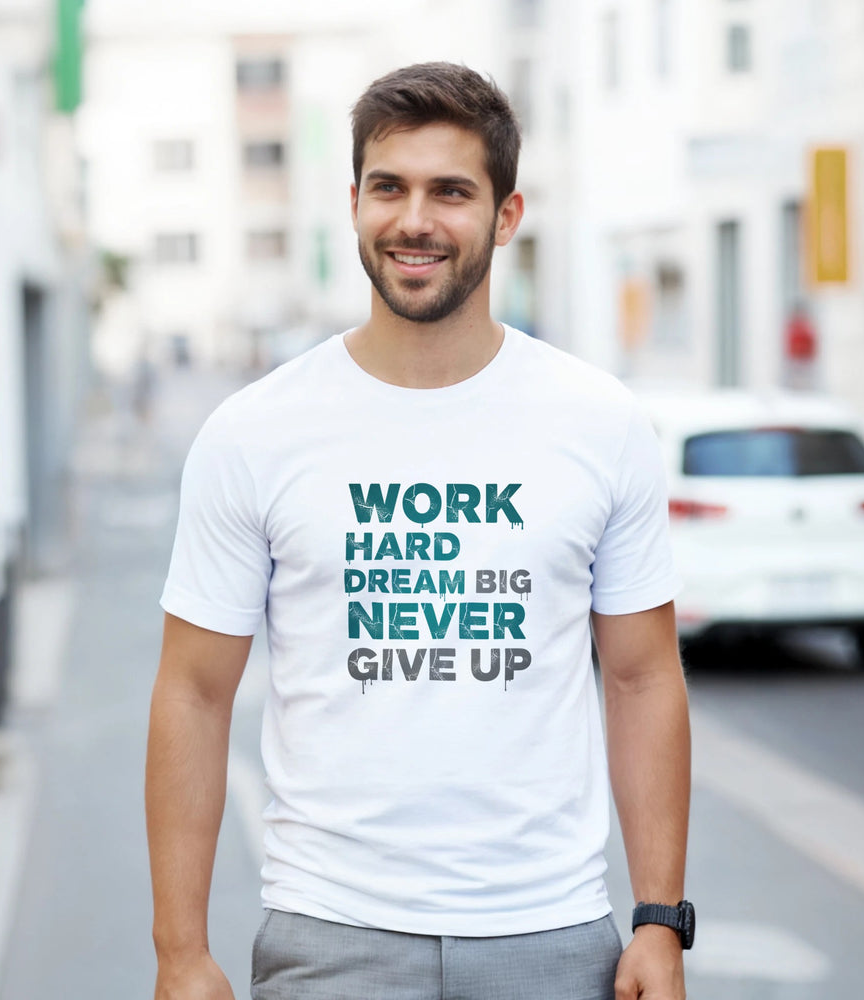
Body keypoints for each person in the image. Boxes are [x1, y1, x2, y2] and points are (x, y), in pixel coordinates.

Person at [147, 62, 692, 1000]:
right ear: (353, 201)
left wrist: (659, 920)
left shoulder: (599, 423)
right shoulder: (255, 430)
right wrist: (180, 952)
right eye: (389, 187)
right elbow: (193, 694)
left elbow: (642, 676)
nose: (415, 221)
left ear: (507, 214)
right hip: (331, 934)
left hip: (551, 933)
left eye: (451, 191)